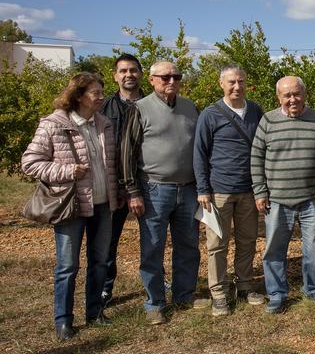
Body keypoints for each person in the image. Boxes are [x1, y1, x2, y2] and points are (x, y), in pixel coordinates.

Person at [22, 72, 123, 340]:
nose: (101, 97)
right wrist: (67, 170)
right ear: (78, 96)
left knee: (100, 261)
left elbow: (111, 164)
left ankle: (94, 311)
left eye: (102, 92)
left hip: (103, 204)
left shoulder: (104, 124)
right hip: (72, 205)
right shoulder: (54, 124)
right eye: (95, 93)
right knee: (67, 265)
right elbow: (30, 162)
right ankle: (63, 320)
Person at [119, 61, 200, 325]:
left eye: (176, 76)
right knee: (152, 247)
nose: (171, 81)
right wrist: (132, 191)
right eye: (165, 77)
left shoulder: (190, 107)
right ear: (152, 80)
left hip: (188, 189)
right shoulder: (140, 109)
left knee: (188, 245)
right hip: (154, 189)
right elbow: (127, 152)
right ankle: (155, 302)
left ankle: (184, 294)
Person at [251, 76, 315, 313]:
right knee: (274, 250)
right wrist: (260, 191)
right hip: (277, 199)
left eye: (297, 94)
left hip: (312, 198)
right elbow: (256, 158)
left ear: (304, 94)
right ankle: (277, 294)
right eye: (287, 95)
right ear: (279, 97)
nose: (292, 99)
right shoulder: (268, 121)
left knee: (314, 248)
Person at [193, 65, 265, 316]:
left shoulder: (256, 110)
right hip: (218, 191)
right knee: (217, 245)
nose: (237, 86)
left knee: (247, 240)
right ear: (221, 83)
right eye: (232, 82)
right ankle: (219, 292)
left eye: (241, 81)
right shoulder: (210, 114)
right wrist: (203, 188)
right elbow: (199, 153)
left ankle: (244, 285)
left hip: (249, 189)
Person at [100, 53, 145, 306]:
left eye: (133, 70)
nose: (129, 75)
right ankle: (106, 288)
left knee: (153, 237)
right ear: (115, 75)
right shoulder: (104, 108)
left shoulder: (152, 104)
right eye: (123, 71)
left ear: (141, 73)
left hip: (147, 183)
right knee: (109, 239)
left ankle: (155, 281)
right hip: (114, 185)